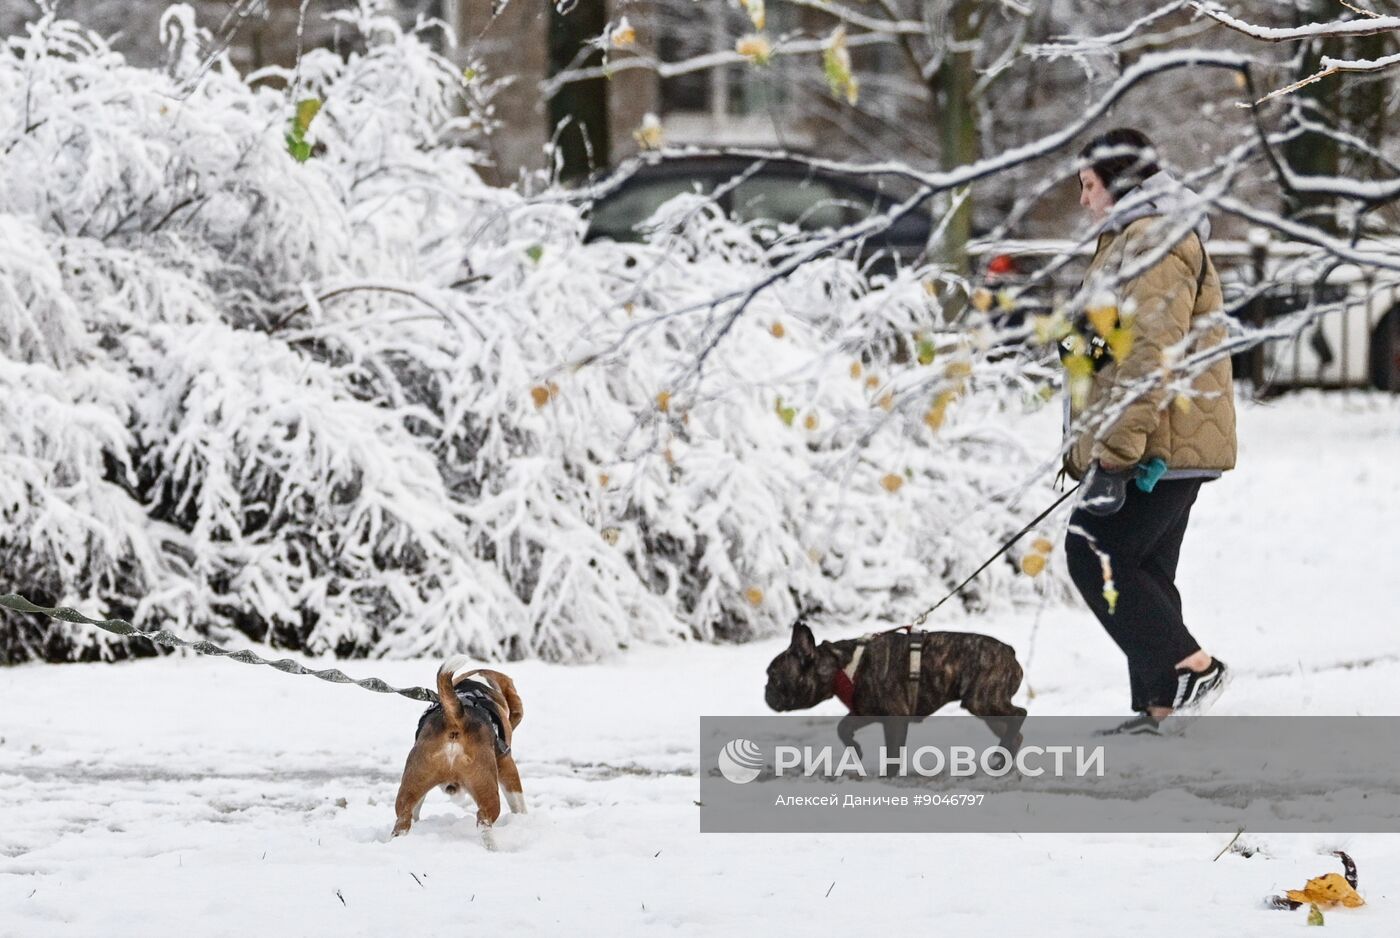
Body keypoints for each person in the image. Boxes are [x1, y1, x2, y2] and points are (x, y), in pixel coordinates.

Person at [1060, 128, 1238, 735]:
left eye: (1089, 185)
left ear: (1120, 182)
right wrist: (1081, 348)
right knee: (1145, 567)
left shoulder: (1155, 241)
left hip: (1155, 442)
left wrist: (1115, 452)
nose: (1084, 199)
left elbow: (1151, 356)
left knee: (1093, 552)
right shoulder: (1137, 238)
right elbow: (1119, 339)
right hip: (1163, 438)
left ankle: (1194, 666)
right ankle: (1161, 709)